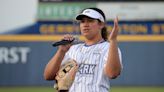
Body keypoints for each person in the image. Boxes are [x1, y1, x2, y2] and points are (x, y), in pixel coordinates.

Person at [44, 7, 123, 92]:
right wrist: (61, 51)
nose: (85, 24)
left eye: (90, 20)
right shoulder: (73, 49)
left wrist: (113, 40)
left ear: (101, 24)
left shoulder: (108, 48)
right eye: (82, 21)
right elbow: (48, 76)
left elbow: (112, 74)